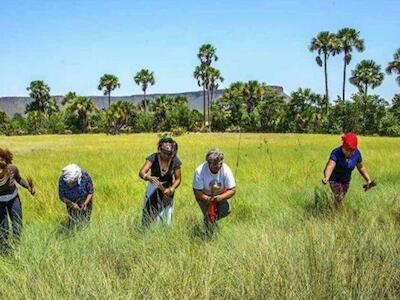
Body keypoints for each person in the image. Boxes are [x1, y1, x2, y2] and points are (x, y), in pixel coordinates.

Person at [322, 132, 374, 207]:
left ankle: (334, 211)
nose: (349, 153)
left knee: (340, 198)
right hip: (334, 179)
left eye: (351, 151)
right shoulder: (336, 153)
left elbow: (361, 167)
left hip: (346, 180)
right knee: (339, 198)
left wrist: (368, 180)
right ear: (343, 146)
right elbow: (330, 166)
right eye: (347, 150)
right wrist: (326, 177)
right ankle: (343, 215)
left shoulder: (357, 153)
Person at [139, 137, 181, 225]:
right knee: (149, 211)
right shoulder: (153, 157)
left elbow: (178, 179)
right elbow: (142, 172)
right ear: (160, 149)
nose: (165, 155)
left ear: (172, 153)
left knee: (165, 213)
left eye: (168, 154)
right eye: (163, 152)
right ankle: (145, 232)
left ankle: (162, 234)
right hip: (153, 188)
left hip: (167, 190)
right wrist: (149, 178)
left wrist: (172, 188)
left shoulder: (175, 161)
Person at [0, 148, 35, 250]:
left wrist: (28, 187)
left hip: (13, 198)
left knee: (17, 223)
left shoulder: (12, 169)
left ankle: (17, 246)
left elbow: (19, 179)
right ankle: (5, 249)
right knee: (3, 227)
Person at [193, 149, 236, 229]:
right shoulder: (199, 171)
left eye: (220, 163)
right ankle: (207, 233)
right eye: (215, 165)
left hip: (220, 195)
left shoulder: (226, 169)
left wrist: (220, 198)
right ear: (209, 163)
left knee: (227, 210)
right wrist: (207, 199)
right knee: (208, 216)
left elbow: (232, 190)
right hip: (204, 196)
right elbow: (197, 191)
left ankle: (212, 221)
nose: (219, 166)